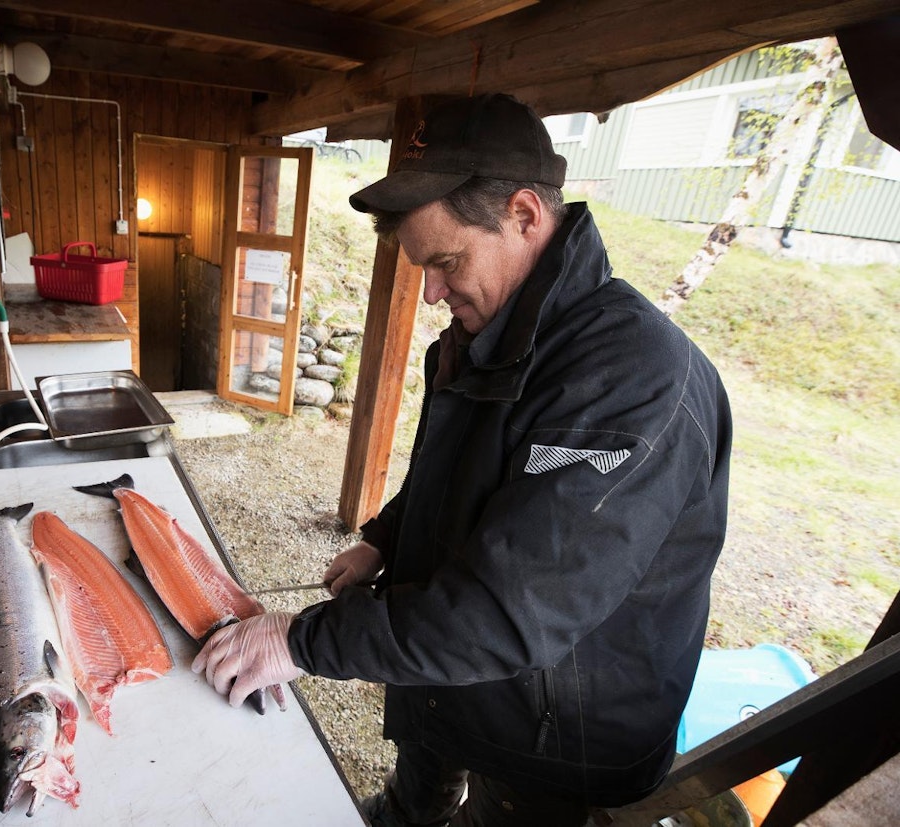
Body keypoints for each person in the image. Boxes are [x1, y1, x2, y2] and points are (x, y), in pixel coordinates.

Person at [193, 93, 732, 826]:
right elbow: (451, 467)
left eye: (445, 263)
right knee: (419, 786)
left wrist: (298, 638)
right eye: (423, 267)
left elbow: (508, 617)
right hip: (450, 675)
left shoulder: (630, 382)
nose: (431, 293)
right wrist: (386, 538)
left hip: (554, 725)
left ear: (524, 215)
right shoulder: (484, 334)